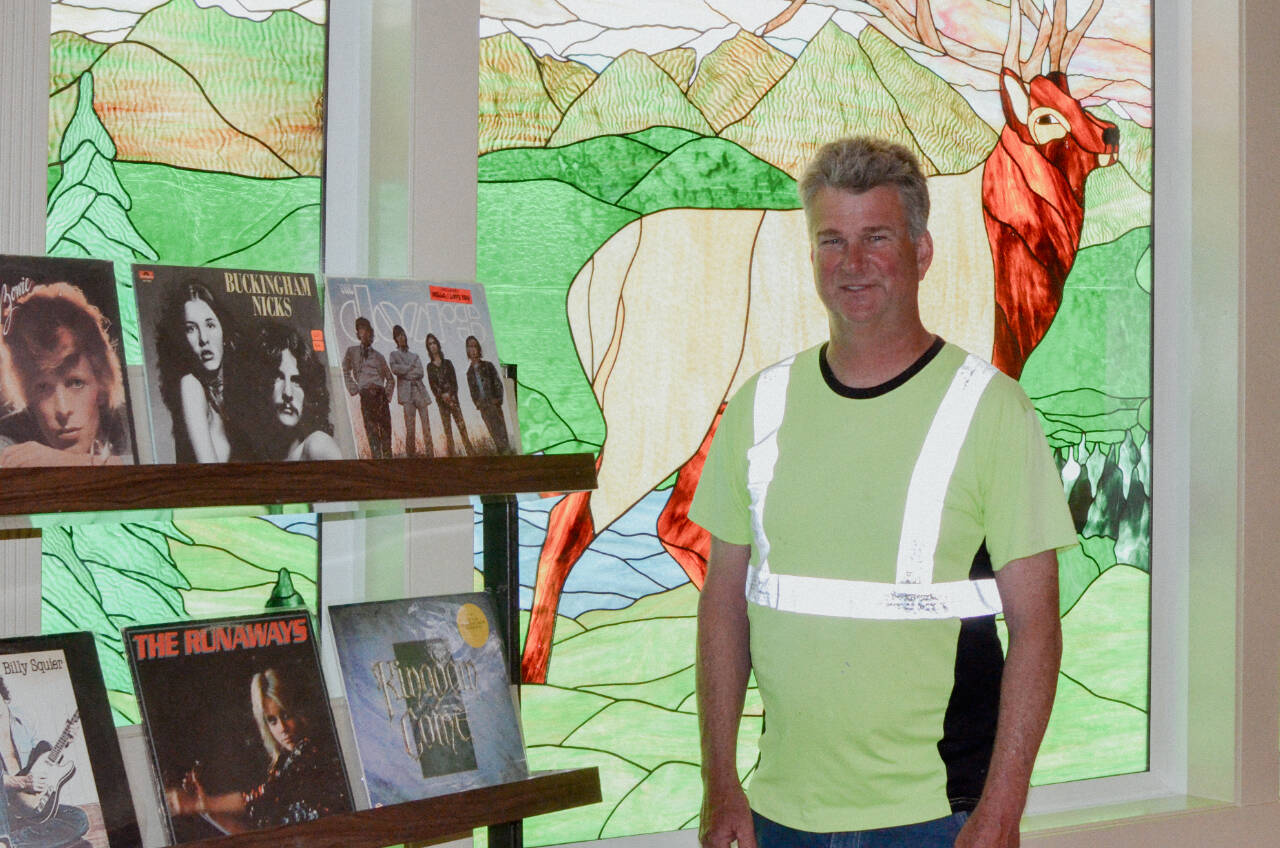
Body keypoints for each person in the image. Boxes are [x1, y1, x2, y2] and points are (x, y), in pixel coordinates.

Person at [690, 137, 1077, 848]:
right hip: (779, 816)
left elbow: (1038, 629)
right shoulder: (759, 406)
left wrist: (1001, 812)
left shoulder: (993, 411)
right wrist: (722, 786)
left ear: (921, 252)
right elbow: (723, 607)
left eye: (876, 238)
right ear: (811, 258)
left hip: (938, 816)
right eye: (831, 241)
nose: (853, 263)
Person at [164, 668, 349, 834]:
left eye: (286, 714)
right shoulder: (282, 765)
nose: (282, 727)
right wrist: (206, 810)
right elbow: (252, 838)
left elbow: (263, 796)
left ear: (299, 712)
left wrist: (199, 804)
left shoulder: (312, 751)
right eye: (272, 720)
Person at [0, 282, 130, 467]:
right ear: (27, 394)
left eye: (76, 383)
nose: (62, 410)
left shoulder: (134, 419)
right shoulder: (10, 434)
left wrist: (68, 461)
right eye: (43, 387)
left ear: (102, 383)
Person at [231, 321, 342, 461]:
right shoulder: (254, 455)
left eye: (296, 381)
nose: (287, 393)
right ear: (259, 384)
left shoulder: (317, 445)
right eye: (278, 378)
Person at [1, 676, 90, 845]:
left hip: (28, 805)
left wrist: (65, 741)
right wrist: (21, 782)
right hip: (3, 809)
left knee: (79, 819)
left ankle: (12, 843)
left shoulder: (23, 718)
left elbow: (42, 758)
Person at [155, 281, 233, 463]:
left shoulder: (229, 394)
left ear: (224, 332)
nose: (203, 339)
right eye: (191, 329)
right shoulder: (190, 386)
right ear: (181, 340)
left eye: (210, 325)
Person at [341, 316, 393, 459]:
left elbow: (390, 378)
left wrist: (387, 396)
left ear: (371, 333)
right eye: (361, 330)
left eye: (367, 330)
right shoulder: (352, 351)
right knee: (372, 434)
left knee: (386, 434)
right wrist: (353, 388)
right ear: (358, 334)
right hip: (366, 395)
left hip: (380, 395)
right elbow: (344, 369)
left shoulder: (379, 356)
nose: (364, 333)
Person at [388, 324, 434, 457]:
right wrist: (409, 367)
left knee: (426, 427)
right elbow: (395, 369)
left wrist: (405, 373)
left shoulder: (415, 355)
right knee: (410, 428)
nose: (401, 337)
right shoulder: (394, 354)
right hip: (407, 396)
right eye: (398, 336)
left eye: (402, 334)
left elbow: (420, 372)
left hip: (419, 392)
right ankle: (411, 457)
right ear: (395, 339)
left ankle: (431, 455)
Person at [424, 333, 472, 457]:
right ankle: (453, 458)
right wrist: (443, 397)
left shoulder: (448, 363)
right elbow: (433, 387)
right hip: (442, 404)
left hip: (454, 401)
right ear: (428, 348)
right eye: (430, 344)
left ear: (438, 345)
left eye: (434, 343)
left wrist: (450, 395)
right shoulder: (429, 367)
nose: (433, 346)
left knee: (463, 430)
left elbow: (454, 383)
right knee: (448, 433)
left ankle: (472, 455)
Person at [464, 335, 510, 454]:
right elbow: (472, 392)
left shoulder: (488, 366)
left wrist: (498, 400)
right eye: (470, 346)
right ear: (467, 350)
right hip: (484, 407)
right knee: (494, 434)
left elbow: (498, 383)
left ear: (478, 348)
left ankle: (508, 454)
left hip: (494, 404)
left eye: (474, 346)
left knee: (502, 433)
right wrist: (478, 403)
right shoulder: (469, 373)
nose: (473, 349)